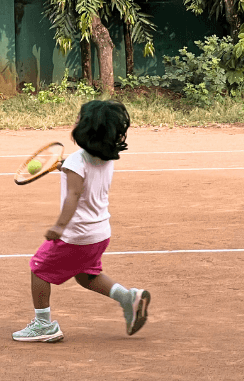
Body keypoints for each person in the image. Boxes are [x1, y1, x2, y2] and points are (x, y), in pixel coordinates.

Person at [12, 100, 150, 343]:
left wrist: (59, 226)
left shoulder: (78, 161)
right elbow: (86, 179)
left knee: (39, 269)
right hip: (100, 234)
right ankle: (128, 298)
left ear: (85, 130)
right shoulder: (105, 158)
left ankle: (44, 325)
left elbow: (73, 196)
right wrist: (69, 167)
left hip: (77, 236)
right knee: (87, 275)